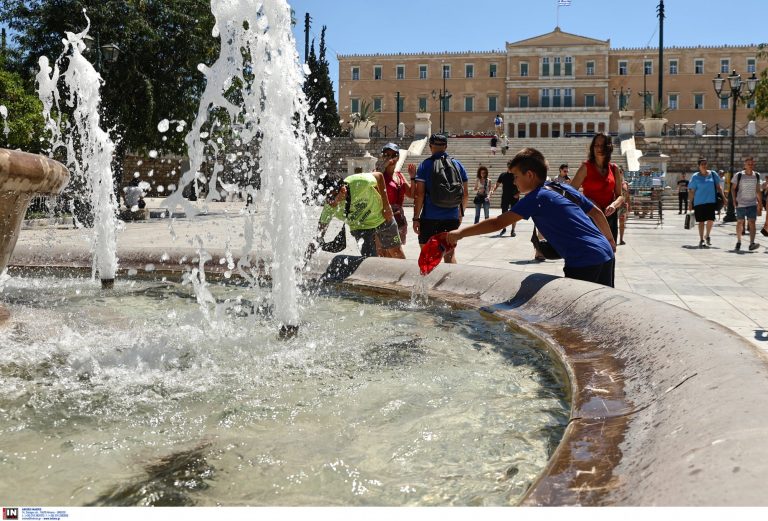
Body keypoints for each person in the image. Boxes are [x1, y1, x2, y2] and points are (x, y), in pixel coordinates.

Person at [445, 147, 616, 287]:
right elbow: (596, 212)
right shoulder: (561, 188)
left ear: (530, 175)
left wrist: (459, 233)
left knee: (577, 318)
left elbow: (497, 223)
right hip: (605, 253)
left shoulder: (536, 197)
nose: (513, 182)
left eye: (516, 176)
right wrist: (609, 240)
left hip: (583, 260)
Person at [310, 172, 404, 259]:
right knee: (370, 261)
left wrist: (386, 205)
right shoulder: (329, 207)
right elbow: (320, 232)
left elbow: (379, 176)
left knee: (396, 252)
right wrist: (308, 255)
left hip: (382, 217)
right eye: (326, 197)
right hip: (360, 228)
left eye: (331, 197)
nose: (329, 202)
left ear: (343, 190)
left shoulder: (359, 182)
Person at [412, 133, 469, 264]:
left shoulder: (425, 166)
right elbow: (465, 194)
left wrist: (416, 218)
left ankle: (428, 284)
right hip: (451, 217)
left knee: (428, 257)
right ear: (446, 146)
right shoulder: (458, 165)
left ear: (430, 146)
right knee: (449, 256)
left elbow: (419, 194)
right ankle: (450, 283)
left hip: (430, 218)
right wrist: (460, 214)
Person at [570, 133, 624, 242]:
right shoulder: (585, 167)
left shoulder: (614, 168)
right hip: (590, 216)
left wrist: (613, 205)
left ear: (608, 147)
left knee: (610, 252)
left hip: (610, 216)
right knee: (592, 252)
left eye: (602, 145)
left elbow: (620, 196)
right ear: (592, 147)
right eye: (596, 145)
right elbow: (570, 192)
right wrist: (587, 201)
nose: (599, 148)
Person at [378, 143, 414, 247]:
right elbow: (372, 181)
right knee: (384, 251)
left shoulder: (399, 175)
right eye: (386, 154)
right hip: (384, 217)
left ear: (398, 157)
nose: (390, 158)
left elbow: (411, 194)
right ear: (382, 156)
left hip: (399, 218)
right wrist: (384, 165)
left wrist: (412, 177)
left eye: (393, 155)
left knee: (397, 250)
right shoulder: (379, 174)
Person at [688, 159, 725, 248]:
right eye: (702, 164)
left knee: (710, 220)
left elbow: (718, 187)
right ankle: (701, 239)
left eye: (705, 164)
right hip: (699, 202)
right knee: (701, 222)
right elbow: (692, 190)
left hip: (711, 201)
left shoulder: (713, 174)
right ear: (699, 166)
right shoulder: (695, 176)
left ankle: (707, 235)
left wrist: (724, 197)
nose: (704, 165)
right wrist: (690, 202)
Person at [731, 156, 762, 251]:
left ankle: (752, 243)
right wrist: (734, 199)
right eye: (749, 164)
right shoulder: (739, 175)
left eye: (752, 164)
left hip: (752, 203)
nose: (751, 165)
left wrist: (760, 203)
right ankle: (739, 241)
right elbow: (733, 188)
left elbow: (757, 190)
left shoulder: (756, 175)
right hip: (741, 203)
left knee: (752, 222)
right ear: (745, 165)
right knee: (740, 222)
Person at [489, 159, 520, 237]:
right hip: (505, 197)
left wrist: (518, 193)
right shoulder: (503, 175)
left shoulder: (516, 175)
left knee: (514, 214)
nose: (510, 168)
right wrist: (493, 190)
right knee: (504, 213)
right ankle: (504, 228)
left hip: (514, 197)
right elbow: (497, 184)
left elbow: (521, 185)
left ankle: (513, 230)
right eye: (509, 166)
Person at [617, 178, 631, 246]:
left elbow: (627, 195)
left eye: (620, 172)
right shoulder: (613, 182)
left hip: (623, 206)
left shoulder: (625, 184)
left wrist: (629, 205)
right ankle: (613, 239)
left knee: (622, 223)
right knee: (612, 223)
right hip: (614, 206)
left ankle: (621, 239)